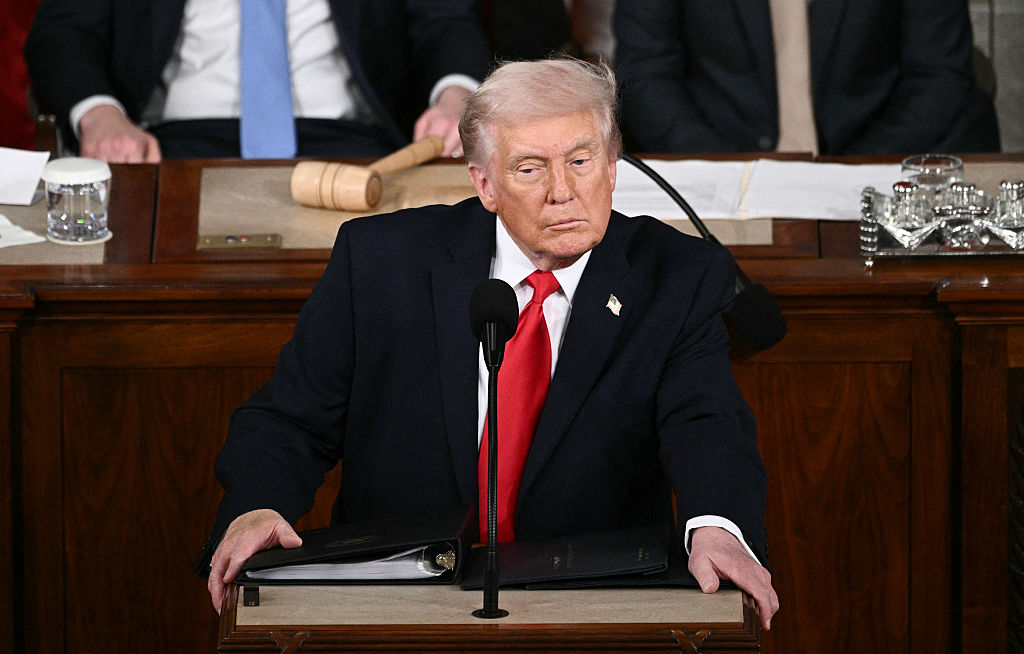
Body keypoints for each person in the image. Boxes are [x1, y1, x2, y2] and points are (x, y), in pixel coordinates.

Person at [200, 57, 779, 628]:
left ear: (610, 166)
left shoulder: (677, 276)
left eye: (580, 161)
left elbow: (706, 421)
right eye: (529, 168)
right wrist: (256, 508)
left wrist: (718, 528)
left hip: (587, 599)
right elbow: (290, 419)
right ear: (485, 184)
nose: (562, 191)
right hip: (397, 598)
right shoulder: (380, 262)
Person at [24, 0, 492, 162]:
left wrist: (456, 100)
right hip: (166, 149)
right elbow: (63, 33)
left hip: (358, 146)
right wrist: (101, 116)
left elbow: (446, 21)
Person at [614, 0, 1001, 155]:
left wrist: (852, 171)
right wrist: (729, 169)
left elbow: (938, 73)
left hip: (878, 155)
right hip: (717, 163)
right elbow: (647, 74)